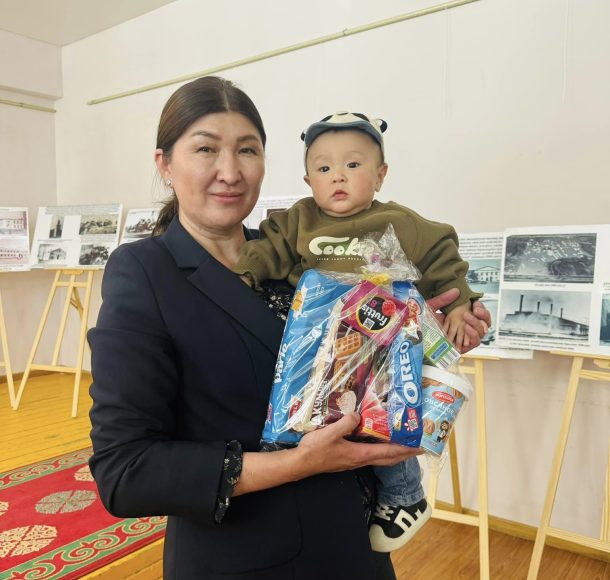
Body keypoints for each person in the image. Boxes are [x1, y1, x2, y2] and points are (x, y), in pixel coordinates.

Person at [88, 77, 491, 580]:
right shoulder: (145, 272)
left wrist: (422, 331)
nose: (230, 171)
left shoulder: (295, 254)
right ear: (165, 164)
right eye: (206, 149)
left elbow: (358, 366)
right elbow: (126, 472)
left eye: (247, 150)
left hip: (356, 540)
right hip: (248, 559)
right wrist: (298, 463)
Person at [233, 111, 483, 552]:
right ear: (308, 180)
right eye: (323, 168)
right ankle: (288, 458)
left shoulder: (399, 223)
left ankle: (405, 495)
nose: (338, 176)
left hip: (381, 340)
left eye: (353, 164)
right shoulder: (299, 220)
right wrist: (243, 277)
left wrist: (461, 302)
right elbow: (266, 249)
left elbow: (440, 252)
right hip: (316, 342)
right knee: (308, 407)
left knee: (383, 417)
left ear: (380, 175)